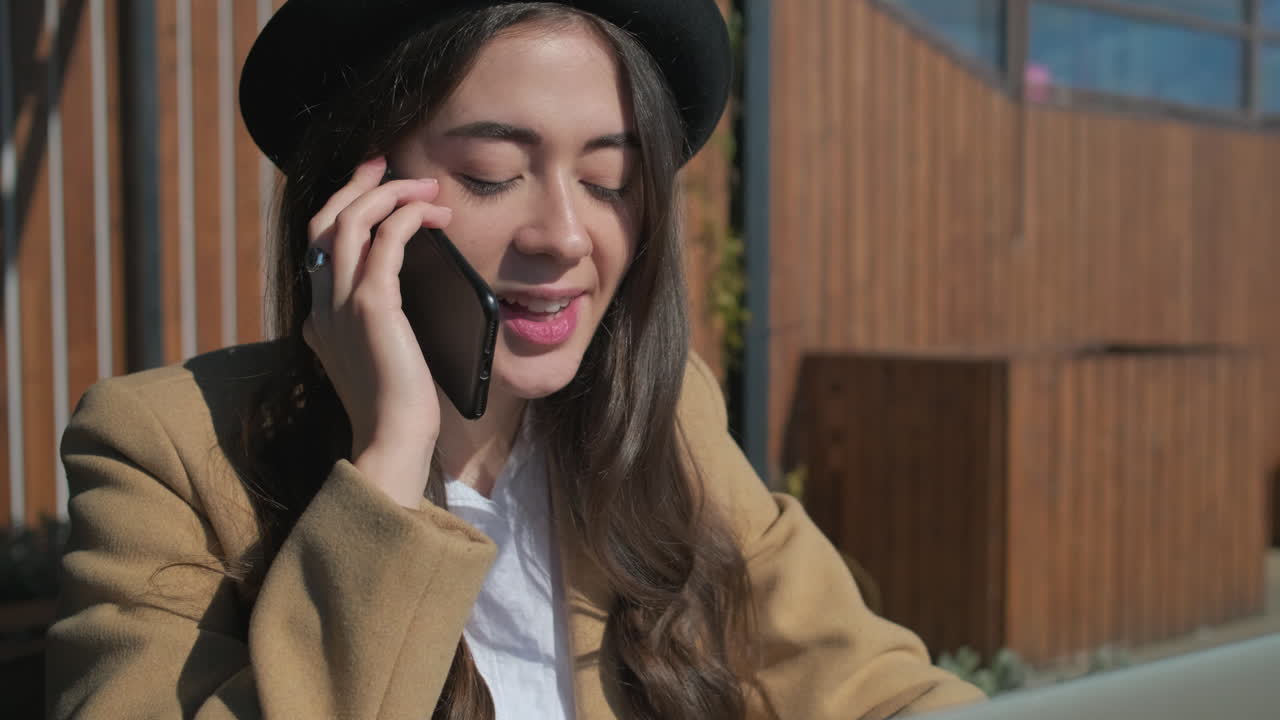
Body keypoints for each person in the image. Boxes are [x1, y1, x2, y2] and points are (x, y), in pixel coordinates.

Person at [46, 1, 985, 718]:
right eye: (493, 175)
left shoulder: (662, 416)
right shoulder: (160, 451)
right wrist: (388, 463)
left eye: (608, 180)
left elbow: (874, 686)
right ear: (359, 196)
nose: (567, 235)